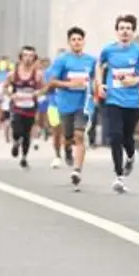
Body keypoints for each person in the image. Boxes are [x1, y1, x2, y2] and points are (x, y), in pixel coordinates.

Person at [97, 14, 139, 194]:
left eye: (128, 28)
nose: (125, 31)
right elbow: (99, 66)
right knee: (115, 136)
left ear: (133, 32)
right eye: (121, 28)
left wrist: (135, 80)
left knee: (127, 137)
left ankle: (130, 156)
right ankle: (119, 176)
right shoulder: (108, 50)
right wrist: (100, 84)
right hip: (113, 100)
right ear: (117, 31)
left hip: (132, 102)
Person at [46, 27, 99, 190]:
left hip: (83, 104)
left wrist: (96, 88)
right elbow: (53, 82)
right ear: (69, 42)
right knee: (68, 135)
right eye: (73, 40)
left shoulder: (91, 60)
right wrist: (70, 84)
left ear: (83, 41)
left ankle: (77, 170)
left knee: (79, 135)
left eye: (79, 39)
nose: (77, 42)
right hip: (65, 104)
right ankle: (67, 149)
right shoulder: (62, 60)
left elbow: (96, 79)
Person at [6, 46, 44, 169]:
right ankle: (16, 142)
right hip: (17, 106)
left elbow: (43, 88)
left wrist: (38, 93)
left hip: (30, 107)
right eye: (25, 55)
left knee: (27, 132)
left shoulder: (37, 75)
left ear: (34, 58)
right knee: (17, 127)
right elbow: (4, 87)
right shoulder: (13, 73)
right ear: (21, 57)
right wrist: (11, 95)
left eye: (31, 56)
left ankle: (24, 157)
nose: (28, 59)